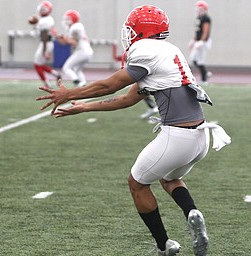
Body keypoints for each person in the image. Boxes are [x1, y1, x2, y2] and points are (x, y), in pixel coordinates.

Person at [36, 5, 231, 256]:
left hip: (178, 137)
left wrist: (69, 93)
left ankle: (164, 246)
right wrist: (85, 107)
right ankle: (191, 211)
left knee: (137, 183)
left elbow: (111, 85)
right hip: (201, 136)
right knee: (168, 178)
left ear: (140, 30)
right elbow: (127, 99)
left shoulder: (144, 50)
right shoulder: (168, 52)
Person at [54, 10, 93, 87]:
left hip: (82, 51)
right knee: (77, 70)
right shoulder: (75, 27)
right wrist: (60, 38)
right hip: (87, 51)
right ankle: (83, 85)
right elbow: (66, 42)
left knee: (66, 68)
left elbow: (73, 42)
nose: (65, 21)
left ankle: (77, 83)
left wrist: (64, 37)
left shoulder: (75, 28)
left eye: (67, 19)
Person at [30, 1, 61, 88]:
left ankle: (47, 83)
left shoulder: (45, 21)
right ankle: (55, 74)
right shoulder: (47, 19)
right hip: (47, 43)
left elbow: (44, 36)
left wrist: (44, 51)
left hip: (45, 43)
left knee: (37, 65)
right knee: (39, 64)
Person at [189, 1, 212, 85]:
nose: (198, 10)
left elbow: (205, 31)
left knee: (200, 60)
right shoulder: (199, 17)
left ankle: (204, 79)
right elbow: (198, 31)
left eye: (200, 8)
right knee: (194, 59)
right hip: (198, 41)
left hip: (203, 42)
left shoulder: (206, 18)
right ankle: (205, 73)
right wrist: (193, 40)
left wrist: (202, 41)